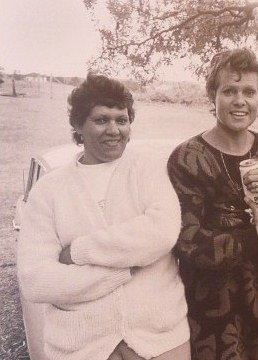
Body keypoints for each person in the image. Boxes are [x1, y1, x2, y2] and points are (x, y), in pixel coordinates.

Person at [17, 74, 190, 360]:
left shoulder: (148, 168)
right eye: (101, 120)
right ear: (78, 126)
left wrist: (79, 251)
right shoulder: (48, 191)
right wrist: (123, 270)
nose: (114, 130)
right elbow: (37, 279)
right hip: (81, 346)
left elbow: (161, 233)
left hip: (161, 341)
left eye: (122, 120)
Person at [167, 48, 258, 360]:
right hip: (209, 308)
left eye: (249, 92)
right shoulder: (187, 159)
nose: (240, 101)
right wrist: (255, 234)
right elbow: (191, 246)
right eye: (229, 91)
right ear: (212, 96)